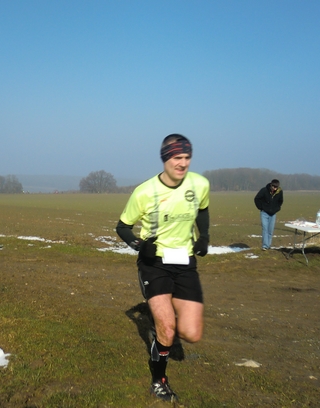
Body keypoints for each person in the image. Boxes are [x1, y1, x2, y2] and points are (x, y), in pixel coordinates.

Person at [116, 134, 210, 402]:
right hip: (153, 263)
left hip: (185, 262)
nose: (182, 163)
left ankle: (162, 333)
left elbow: (202, 210)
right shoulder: (145, 192)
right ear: (165, 158)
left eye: (187, 157)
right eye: (177, 157)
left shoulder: (199, 184)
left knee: (191, 333)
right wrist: (138, 245)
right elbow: (122, 227)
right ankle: (159, 380)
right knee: (167, 327)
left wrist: (204, 236)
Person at [254, 179, 283, 250]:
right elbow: (256, 199)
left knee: (270, 230)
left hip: (273, 214)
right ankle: (265, 246)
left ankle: (268, 245)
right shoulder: (264, 190)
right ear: (271, 185)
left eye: (276, 187)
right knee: (265, 229)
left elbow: (280, 201)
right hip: (264, 213)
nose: (275, 188)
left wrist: (277, 208)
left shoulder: (279, 192)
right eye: (274, 186)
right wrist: (261, 207)